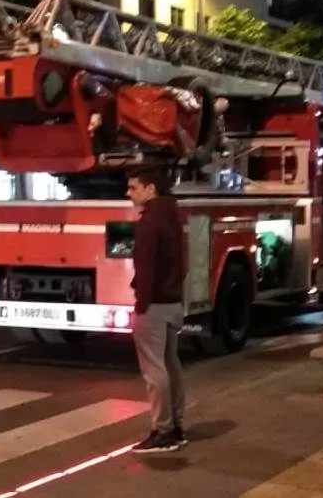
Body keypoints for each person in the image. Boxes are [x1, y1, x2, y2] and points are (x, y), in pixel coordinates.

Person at [125, 165, 188, 454]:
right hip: (173, 303)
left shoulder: (149, 223)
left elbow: (146, 268)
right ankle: (176, 426)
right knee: (171, 364)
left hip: (154, 305)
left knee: (154, 370)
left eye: (134, 187)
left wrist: (141, 303)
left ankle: (162, 432)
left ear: (150, 189)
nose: (129, 193)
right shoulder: (172, 216)